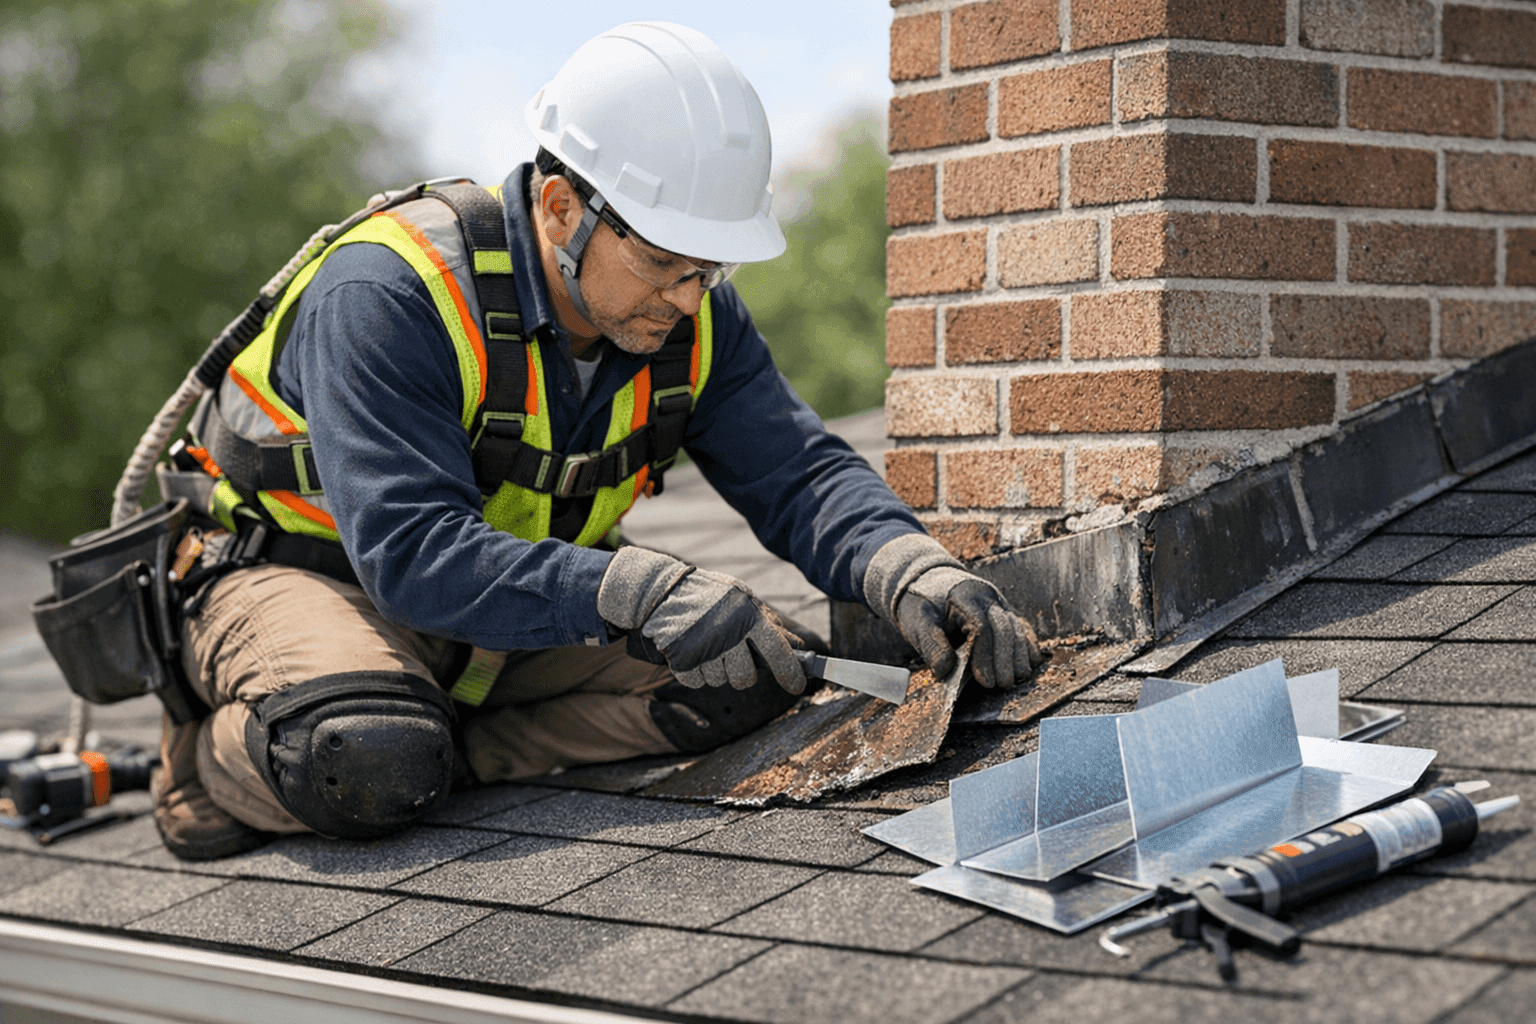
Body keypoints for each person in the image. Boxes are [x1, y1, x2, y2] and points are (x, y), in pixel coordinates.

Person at [153, 22, 1040, 860]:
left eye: (711, 267)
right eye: (664, 261)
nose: (691, 298)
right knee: (363, 755)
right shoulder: (390, 294)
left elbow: (798, 473)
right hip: (305, 579)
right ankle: (214, 763)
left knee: (753, 669)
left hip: (507, 609)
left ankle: (447, 753)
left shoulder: (690, 316)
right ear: (560, 206)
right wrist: (633, 588)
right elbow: (411, 551)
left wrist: (903, 564)